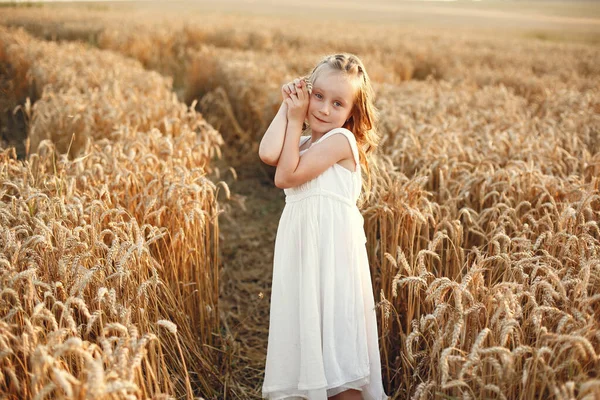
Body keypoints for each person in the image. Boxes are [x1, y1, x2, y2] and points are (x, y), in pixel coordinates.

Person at [258, 53, 388, 400]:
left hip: (332, 261)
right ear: (307, 90)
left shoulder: (340, 142)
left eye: (338, 103)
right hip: (304, 256)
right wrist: (288, 107)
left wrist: (297, 115)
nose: (324, 109)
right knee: (310, 348)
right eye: (318, 96)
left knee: (338, 356)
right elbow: (269, 153)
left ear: (351, 114)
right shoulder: (300, 145)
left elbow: (284, 176)